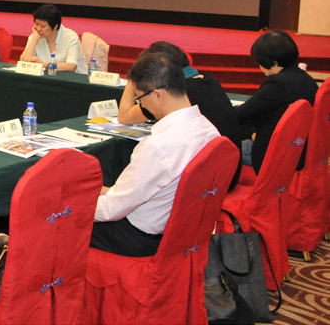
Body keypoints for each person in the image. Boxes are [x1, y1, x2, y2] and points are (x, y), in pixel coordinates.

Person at [92, 52, 220, 257]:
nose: (141, 106)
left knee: (58, 220)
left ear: (158, 95)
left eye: (140, 99)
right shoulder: (209, 129)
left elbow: (110, 210)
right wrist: (103, 192)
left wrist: (73, 205)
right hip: (181, 228)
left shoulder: (159, 145)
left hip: (142, 238)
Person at [118, 41, 241, 187]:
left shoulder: (170, 93)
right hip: (227, 170)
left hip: (210, 181)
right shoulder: (208, 81)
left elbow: (124, 117)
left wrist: (135, 78)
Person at [234, 30, 318, 173]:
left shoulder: (278, 83)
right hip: (298, 148)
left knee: (215, 149)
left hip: (273, 154)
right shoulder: (306, 79)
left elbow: (242, 113)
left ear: (273, 63)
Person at [19, 4, 87, 73]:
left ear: (55, 26)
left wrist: (44, 64)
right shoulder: (36, 35)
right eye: (36, 24)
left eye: (43, 26)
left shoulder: (71, 37)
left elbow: (72, 66)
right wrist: (35, 40)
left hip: (75, 78)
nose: (38, 29)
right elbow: (24, 61)